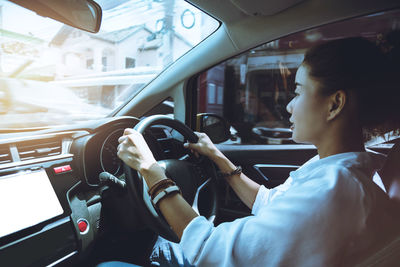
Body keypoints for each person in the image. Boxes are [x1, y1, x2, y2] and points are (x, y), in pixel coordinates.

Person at [114, 37, 400, 266]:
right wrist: (217, 157)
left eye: (299, 92)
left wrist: (151, 172)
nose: (289, 105)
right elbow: (270, 202)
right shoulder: (340, 173)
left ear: (335, 104)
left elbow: (208, 251)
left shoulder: (331, 195)